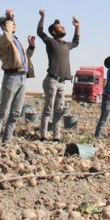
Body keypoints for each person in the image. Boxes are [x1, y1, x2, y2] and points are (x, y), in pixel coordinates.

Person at [0, 10, 36, 144]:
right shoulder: (2, 40)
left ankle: (6, 140)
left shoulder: (17, 41)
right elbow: (7, 39)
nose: (13, 24)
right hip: (11, 77)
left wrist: (31, 48)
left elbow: (23, 59)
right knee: (3, 111)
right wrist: (10, 17)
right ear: (4, 26)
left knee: (16, 112)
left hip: (22, 77)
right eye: (9, 22)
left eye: (13, 22)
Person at [37, 9, 80, 142]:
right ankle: (43, 135)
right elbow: (40, 32)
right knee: (48, 108)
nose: (63, 28)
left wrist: (77, 27)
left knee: (59, 110)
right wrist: (43, 16)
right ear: (54, 32)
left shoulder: (66, 45)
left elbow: (76, 42)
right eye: (59, 27)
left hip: (62, 82)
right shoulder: (51, 42)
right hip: (52, 80)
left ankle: (56, 136)